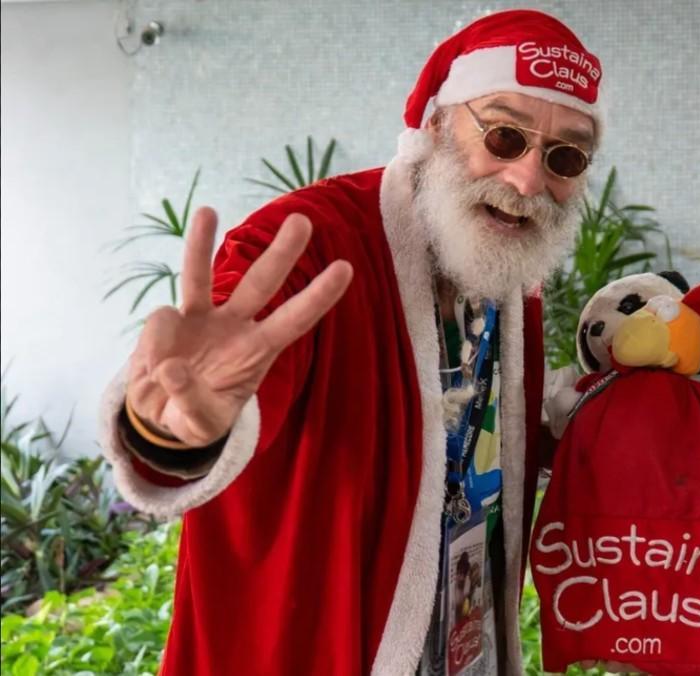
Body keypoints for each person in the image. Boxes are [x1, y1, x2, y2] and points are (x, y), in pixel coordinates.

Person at [97, 10, 605, 674]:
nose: (528, 182)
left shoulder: (504, 268)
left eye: (563, 156)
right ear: (434, 126)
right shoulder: (307, 243)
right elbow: (222, 398)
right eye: (505, 136)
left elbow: (451, 441)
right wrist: (175, 429)